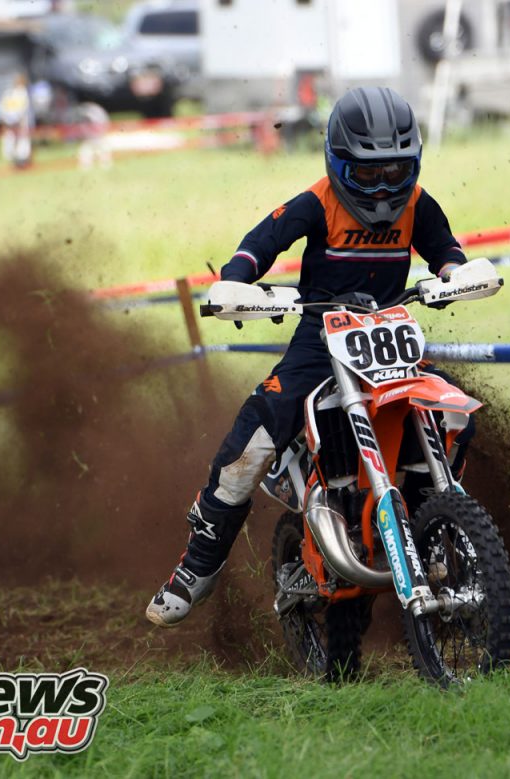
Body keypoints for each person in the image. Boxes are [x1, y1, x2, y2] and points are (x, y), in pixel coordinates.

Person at [146, 86, 474, 628]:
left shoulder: (419, 204)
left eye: (396, 171)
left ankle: (435, 526)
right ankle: (195, 569)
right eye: (368, 174)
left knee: (454, 412)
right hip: (320, 340)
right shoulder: (315, 202)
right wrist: (235, 283)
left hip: (390, 334)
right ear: (339, 161)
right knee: (248, 448)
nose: (384, 185)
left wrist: (456, 277)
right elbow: (260, 243)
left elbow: (445, 250)